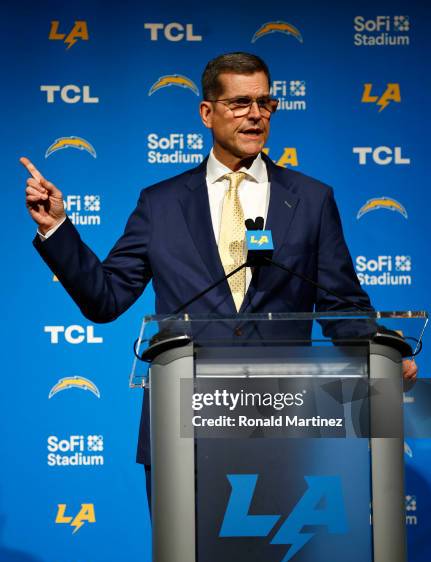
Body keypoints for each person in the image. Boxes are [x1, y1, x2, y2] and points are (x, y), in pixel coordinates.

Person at [21, 52, 417, 489]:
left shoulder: (311, 198)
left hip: (285, 422)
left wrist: (382, 352)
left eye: (265, 103)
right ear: (207, 113)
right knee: (187, 560)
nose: (255, 116)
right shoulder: (161, 203)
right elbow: (106, 298)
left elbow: (342, 306)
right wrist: (56, 227)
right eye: (240, 103)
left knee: (283, 559)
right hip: (183, 427)